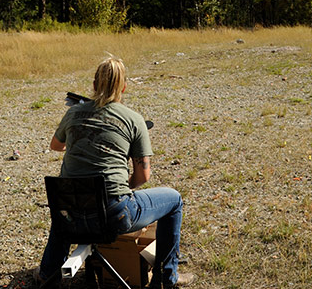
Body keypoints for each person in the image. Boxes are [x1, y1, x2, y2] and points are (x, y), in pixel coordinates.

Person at [34, 57, 194, 289]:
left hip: (70, 220)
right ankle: (167, 278)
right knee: (174, 200)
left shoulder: (73, 113)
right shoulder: (134, 120)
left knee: (68, 202)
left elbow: (56, 146)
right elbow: (143, 177)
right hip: (113, 217)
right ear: (124, 87)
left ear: (94, 84)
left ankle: (47, 273)